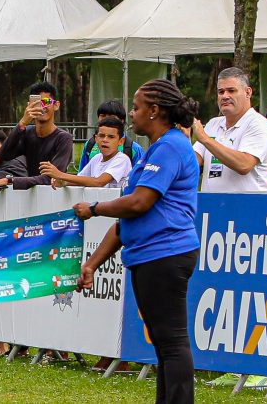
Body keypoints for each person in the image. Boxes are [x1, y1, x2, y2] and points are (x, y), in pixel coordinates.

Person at [73, 79, 201, 404]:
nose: (132, 114)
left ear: (154, 111)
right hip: (149, 256)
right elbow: (125, 221)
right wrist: (92, 263)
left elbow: (139, 202)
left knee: (172, 343)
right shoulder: (157, 150)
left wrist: (94, 208)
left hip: (167, 254)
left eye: (136, 107)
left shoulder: (171, 146)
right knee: (163, 344)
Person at [192, 67, 267, 193]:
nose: (225, 96)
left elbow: (244, 165)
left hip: (249, 209)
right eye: (221, 92)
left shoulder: (259, 124)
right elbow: (191, 164)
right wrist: (183, 137)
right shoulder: (213, 124)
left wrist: (205, 139)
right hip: (212, 208)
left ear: (248, 92)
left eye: (231, 90)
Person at [0, 81, 74, 190]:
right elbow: (4, 156)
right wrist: (22, 123)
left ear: (56, 105)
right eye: (37, 103)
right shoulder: (27, 132)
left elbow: (51, 177)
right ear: (29, 106)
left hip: (54, 196)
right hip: (31, 195)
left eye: (46, 102)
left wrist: (9, 181)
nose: (41, 107)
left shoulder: (64, 138)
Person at [41, 117, 132, 189]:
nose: (105, 140)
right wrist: (63, 181)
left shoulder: (122, 159)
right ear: (96, 138)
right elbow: (81, 179)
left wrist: (60, 174)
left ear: (121, 141)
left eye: (111, 137)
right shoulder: (97, 158)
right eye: (101, 136)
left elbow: (99, 182)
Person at [79, 100, 144, 170]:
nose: (106, 119)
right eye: (103, 116)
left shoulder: (133, 149)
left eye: (111, 116)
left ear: (122, 120)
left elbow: (140, 176)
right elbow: (82, 174)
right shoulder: (90, 144)